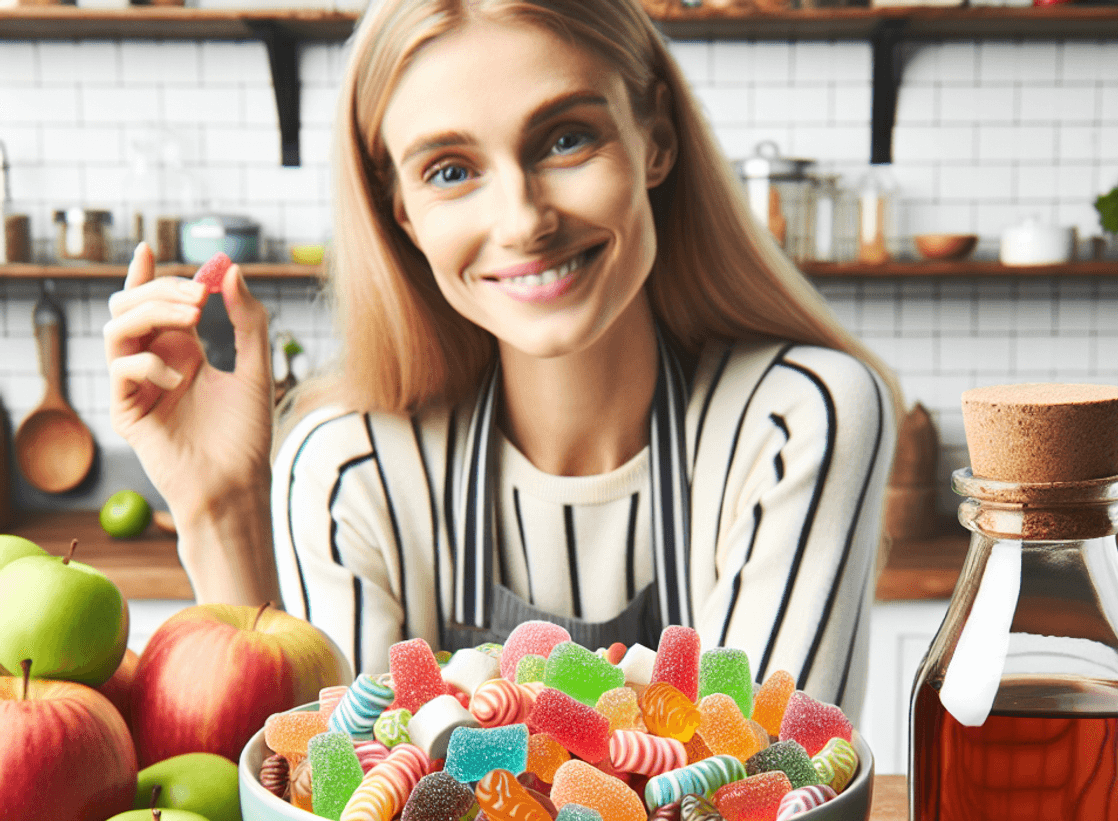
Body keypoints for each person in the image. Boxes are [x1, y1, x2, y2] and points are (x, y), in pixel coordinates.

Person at [105, 0, 900, 725]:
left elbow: (761, 799)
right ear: (402, 213)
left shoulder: (798, 417)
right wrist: (221, 509)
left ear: (654, 138)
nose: (523, 220)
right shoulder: (352, 465)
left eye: (566, 138)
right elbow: (333, 801)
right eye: (450, 171)